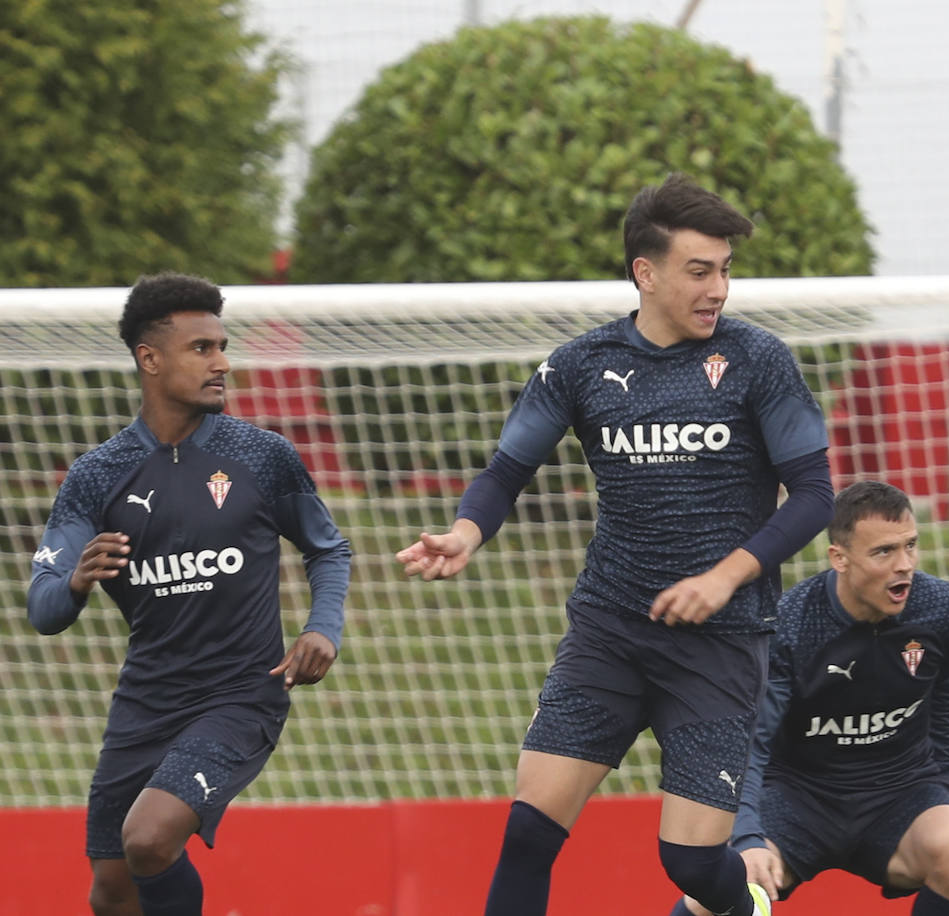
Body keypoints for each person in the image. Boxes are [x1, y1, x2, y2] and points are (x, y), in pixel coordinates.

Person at [397, 173, 834, 916]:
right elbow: (506, 472)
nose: (718, 288)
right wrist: (466, 532)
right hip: (611, 631)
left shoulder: (759, 361)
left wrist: (726, 577)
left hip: (721, 645)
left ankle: (747, 905)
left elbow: (817, 493)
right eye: (700, 270)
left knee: (692, 865)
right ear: (646, 272)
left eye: (725, 270)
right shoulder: (581, 365)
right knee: (530, 832)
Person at [27, 272, 352, 916]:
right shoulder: (98, 475)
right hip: (145, 703)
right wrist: (75, 578)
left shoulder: (262, 456)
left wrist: (324, 626)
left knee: (148, 839)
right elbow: (43, 609)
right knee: (112, 891)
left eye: (222, 345)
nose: (222, 362)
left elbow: (327, 547)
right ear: (150, 359)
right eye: (201, 348)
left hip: (239, 696)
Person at [671, 481, 949, 916]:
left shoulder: (940, 608)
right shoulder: (791, 625)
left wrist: (948, 770)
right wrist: (747, 836)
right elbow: (751, 741)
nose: (904, 565)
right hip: (798, 798)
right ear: (840, 558)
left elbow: (948, 687)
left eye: (910, 546)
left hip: (901, 790)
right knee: (721, 891)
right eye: (884, 552)